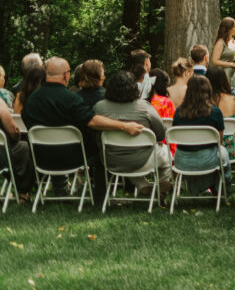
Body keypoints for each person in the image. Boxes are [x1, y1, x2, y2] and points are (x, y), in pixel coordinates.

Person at [21, 58, 144, 204]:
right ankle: (100, 197)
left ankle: (61, 192)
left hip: (40, 156)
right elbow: (92, 121)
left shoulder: (32, 100)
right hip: (72, 158)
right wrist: (125, 126)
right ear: (66, 75)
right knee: (99, 150)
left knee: (57, 146)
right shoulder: (71, 99)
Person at [93, 70, 172, 194]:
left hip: (111, 159)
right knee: (166, 155)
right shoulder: (144, 107)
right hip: (142, 159)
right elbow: (161, 133)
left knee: (128, 161)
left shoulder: (99, 107)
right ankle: (162, 185)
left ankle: (142, 185)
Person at [171, 75, 231, 195]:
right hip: (207, 160)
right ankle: (223, 190)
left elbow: (176, 137)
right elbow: (219, 141)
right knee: (223, 153)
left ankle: (200, 188)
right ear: (208, 91)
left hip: (182, 160)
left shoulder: (179, 112)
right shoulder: (215, 112)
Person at [0, 89, 33, 203]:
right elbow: (13, 130)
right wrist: (18, 137)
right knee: (24, 147)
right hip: (2, 155)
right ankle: (23, 192)